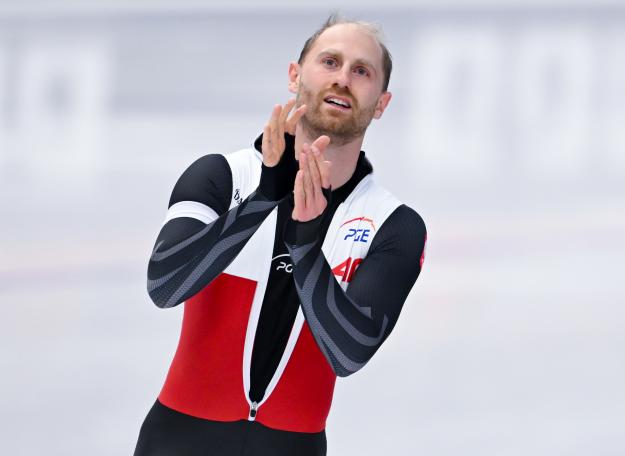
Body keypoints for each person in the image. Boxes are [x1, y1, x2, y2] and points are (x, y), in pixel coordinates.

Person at [134, 13, 427, 456]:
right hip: (178, 440)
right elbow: (164, 285)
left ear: (381, 103)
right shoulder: (221, 176)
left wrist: (308, 243)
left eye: (361, 71)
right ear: (295, 76)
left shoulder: (393, 223)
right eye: (330, 62)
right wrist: (261, 199)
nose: (343, 79)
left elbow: (349, 354)